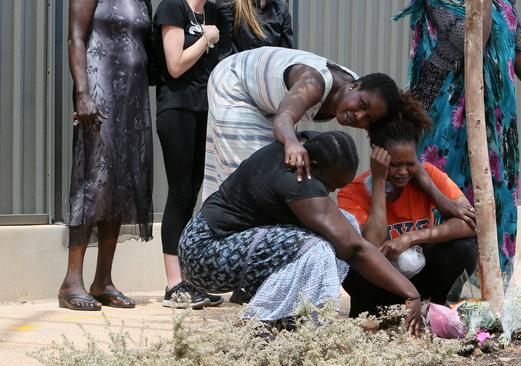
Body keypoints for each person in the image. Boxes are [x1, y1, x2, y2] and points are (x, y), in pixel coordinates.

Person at [180, 130, 423, 335]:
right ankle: (262, 321)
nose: (328, 193)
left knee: (342, 222)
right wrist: (409, 291)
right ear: (314, 168)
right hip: (205, 254)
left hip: (230, 241)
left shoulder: (305, 147)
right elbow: (354, 248)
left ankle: (289, 318)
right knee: (319, 247)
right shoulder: (296, 179)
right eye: (328, 186)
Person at [394, 0, 521, 276]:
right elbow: (471, 39)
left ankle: (492, 282)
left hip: (497, 117)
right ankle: (439, 283)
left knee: (497, 194)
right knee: (445, 190)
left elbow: (519, 51)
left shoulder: (506, 3)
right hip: (446, 113)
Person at [202, 46, 401, 199]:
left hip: (267, 102)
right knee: (248, 179)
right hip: (236, 84)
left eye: (368, 119)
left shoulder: (365, 91)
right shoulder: (314, 83)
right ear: (355, 86)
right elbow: (284, 119)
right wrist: (291, 142)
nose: (359, 116)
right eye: (362, 105)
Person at [338, 99, 477, 317]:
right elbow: (372, 242)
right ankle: (368, 316)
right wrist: (380, 182)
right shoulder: (352, 192)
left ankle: (436, 308)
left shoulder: (426, 174)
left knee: (463, 247)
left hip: (419, 279)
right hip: (379, 284)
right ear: (378, 157)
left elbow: (471, 224)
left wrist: (410, 238)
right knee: (356, 257)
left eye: (410, 163)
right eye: (395, 164)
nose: (403, 172)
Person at [59, 0, 154, 311]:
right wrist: (82, 92)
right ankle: (72, 281)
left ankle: (103, 280)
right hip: (100, 94)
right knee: (95, 180)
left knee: (121, 182)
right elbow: (76, 36)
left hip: (133, 96)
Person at [153, 0, 232, 309]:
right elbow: (175, 65)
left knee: (193, 193)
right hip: (177, 109)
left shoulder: (211, 12)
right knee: (180, 192)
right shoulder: (172, 8)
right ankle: (174, 285)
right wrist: (205, 39)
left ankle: (190, 281)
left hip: (204, 111)